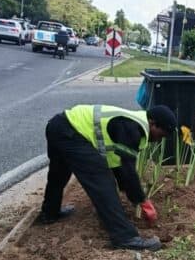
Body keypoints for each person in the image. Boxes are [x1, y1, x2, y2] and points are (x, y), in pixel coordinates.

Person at [38, 104, 177, 251]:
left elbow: (118, 166)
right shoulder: (132, 129)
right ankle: (125, 237)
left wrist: (131, 194)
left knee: (58, 173)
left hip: (58, 126)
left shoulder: (130, 123)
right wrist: (142, 200)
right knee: (102, 181)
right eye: (160, 134)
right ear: (152, 123)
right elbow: (128, 169)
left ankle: (49, 213)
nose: (158, 140)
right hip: (70, 132)